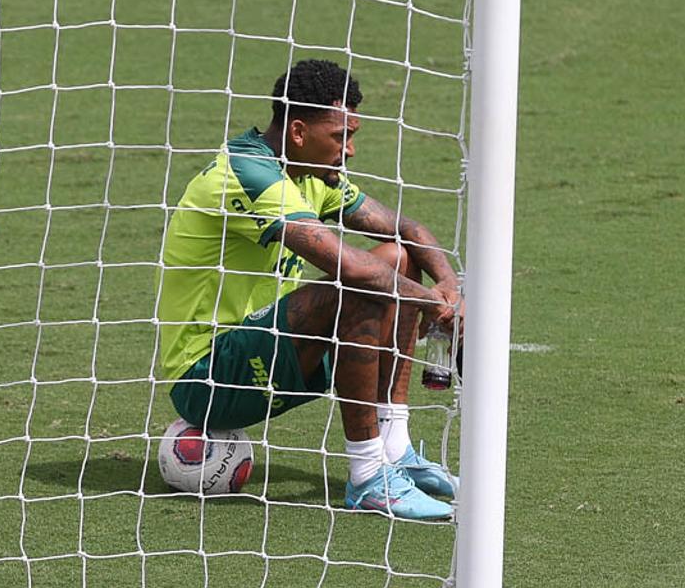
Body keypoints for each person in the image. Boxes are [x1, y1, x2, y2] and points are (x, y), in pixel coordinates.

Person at [155, 59, 461, 521]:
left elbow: (406, 229)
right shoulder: (248, 173)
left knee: (396, 256)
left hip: (269, 348)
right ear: (298, 132)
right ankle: (368, 478)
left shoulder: (311, 176)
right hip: (208, 376)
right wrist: (431, 304)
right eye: (342, 137)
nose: (351, 151)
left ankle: (394, 449)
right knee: (358, 283)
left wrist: (449, 285)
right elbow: (347, 267)